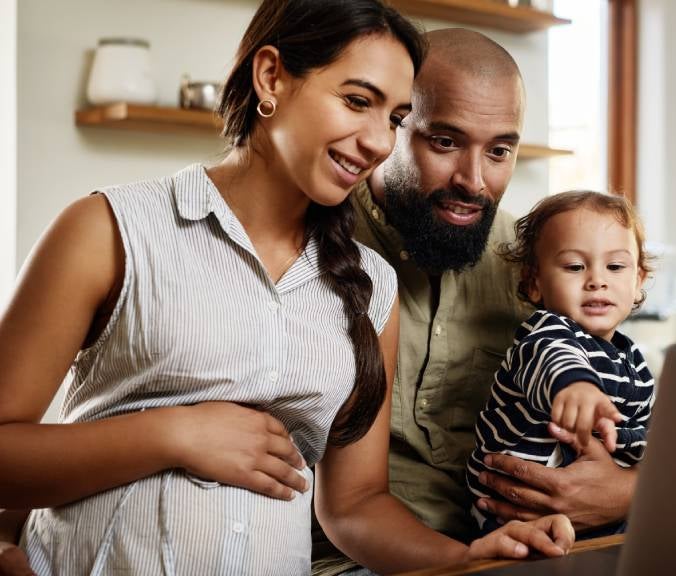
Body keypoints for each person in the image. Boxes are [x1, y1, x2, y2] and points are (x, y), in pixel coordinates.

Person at [0, 1, 573, 574]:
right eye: (357, 101)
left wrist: (468, 559)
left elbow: (354, 507)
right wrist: (173, 433)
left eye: (395, 118)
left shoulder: (371, 287)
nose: (377, 141)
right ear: (271, 76)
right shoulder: (108, 229)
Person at [309, 27, 637, 574]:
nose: (474, 181)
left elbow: (618, 405)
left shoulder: (535, 261)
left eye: (500, 151)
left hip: (529, 552)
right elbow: (346, 507)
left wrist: (626, 490)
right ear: (393, 127)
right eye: (444, 142)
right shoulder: (318, 251)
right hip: (356, 562)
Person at [466, 191, 655, 537]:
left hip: (602, 515)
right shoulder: (544, 332)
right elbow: (553, 358)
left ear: (638, 282)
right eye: (574, 267)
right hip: (516, 517)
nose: (597, 280)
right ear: (534, 284)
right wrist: (577, 386)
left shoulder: (635, 364)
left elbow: (644, 432)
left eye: (615, 266)